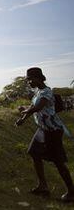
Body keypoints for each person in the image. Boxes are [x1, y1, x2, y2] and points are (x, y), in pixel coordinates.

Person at [15, 67, 74, 202]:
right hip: (43, 129)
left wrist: (23, 109)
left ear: (38, 78)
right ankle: (43, 186)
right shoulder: (37, 92)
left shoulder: (47, 92)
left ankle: (71, 192)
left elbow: (37, 108)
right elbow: (33, 109)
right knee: (34, 153)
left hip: (53, 130)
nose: (29, 82)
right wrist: (22, 120)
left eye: (30, 79)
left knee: (58, 161)